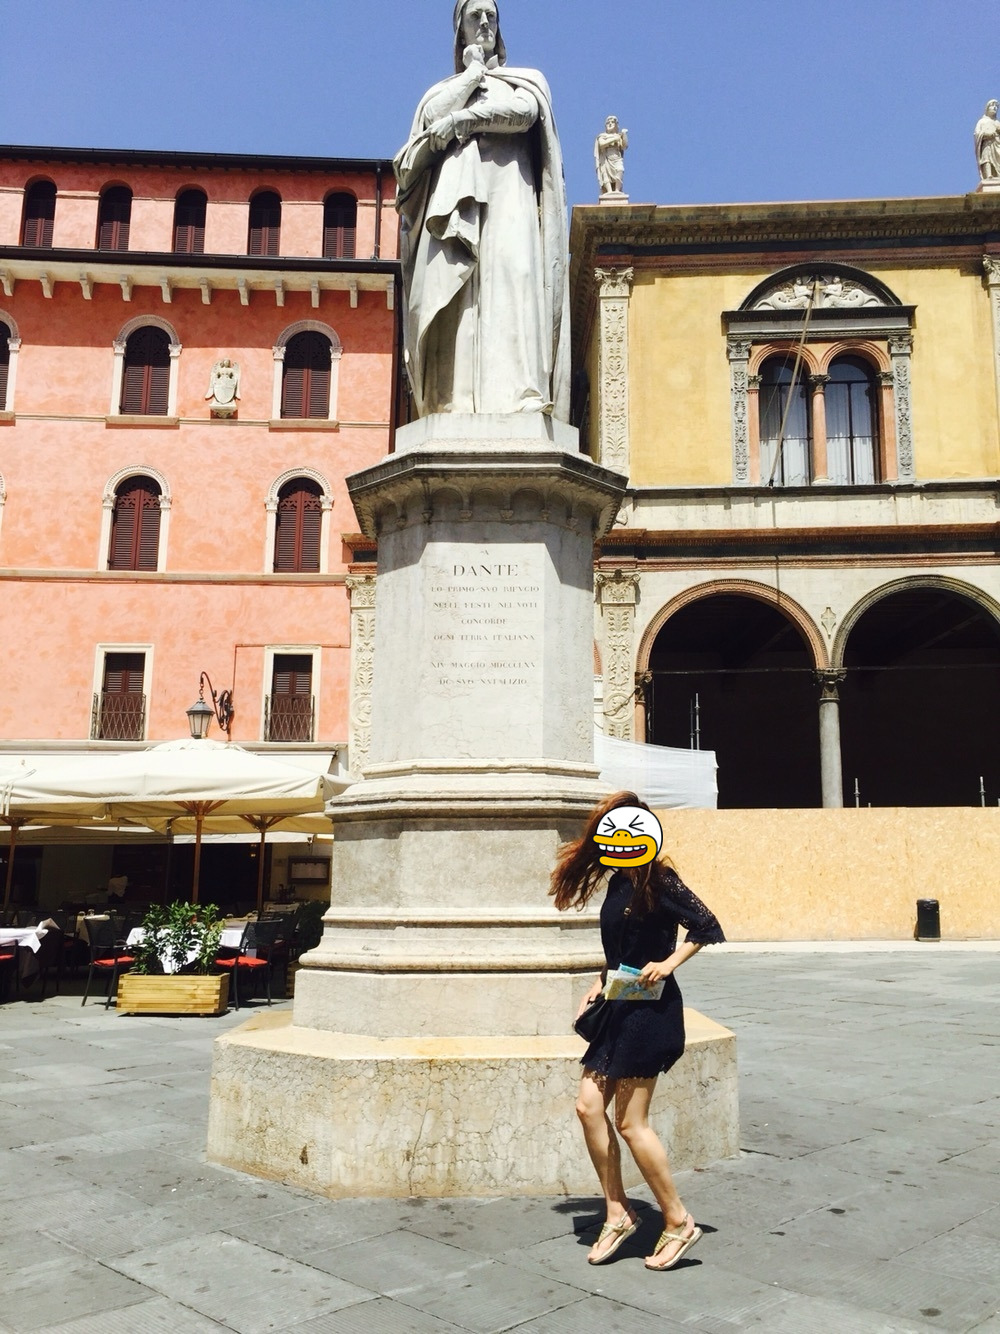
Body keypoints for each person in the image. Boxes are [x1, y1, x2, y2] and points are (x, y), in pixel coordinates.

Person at [550, 791, 725, 1269]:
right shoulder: (616, 882)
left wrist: (668, 963)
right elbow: (619, 950)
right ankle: (618, 1211)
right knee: (588, 1107)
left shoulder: (660, 879)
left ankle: (678, 1221)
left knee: (630, 1122)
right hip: (616, 1004)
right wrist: (598, 982)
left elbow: (707, 927)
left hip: (650, 1012)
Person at [393, 0, 571, 420]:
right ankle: (453, 399)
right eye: (475, 16)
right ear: (460, 30)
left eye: (492, 14)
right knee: (456, 291)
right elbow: (432, 116)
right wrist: (472, 75)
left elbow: (525, 113)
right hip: (452, 206)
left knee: (516, 280)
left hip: (511, 195)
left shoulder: (525, 81)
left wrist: (464, 122)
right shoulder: (441, 92)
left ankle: (522, 395)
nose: (486, 22)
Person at [595, 115, 628, 196]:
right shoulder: (602, 136)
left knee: (620, 170)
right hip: (606, 158)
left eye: (612, 122)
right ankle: (609, 191)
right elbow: (601, 144)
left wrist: (624, 134)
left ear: (616, 125)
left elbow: (624, 146)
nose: (610, 124)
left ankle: (617, 190)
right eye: (608, 123)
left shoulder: (618, 136)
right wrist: (614, 139)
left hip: (616, 157)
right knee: (605, 174)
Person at [975, 101, 1000, 182]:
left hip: (997, 144)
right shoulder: (982, 121)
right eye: (992, 106)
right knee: (986, 158)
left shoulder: (997, 122)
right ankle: (989, 175)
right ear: (987, 108)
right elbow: (977, 133)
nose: (994, 108)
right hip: (987, 143)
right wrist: (985, 134)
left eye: (996, 107)